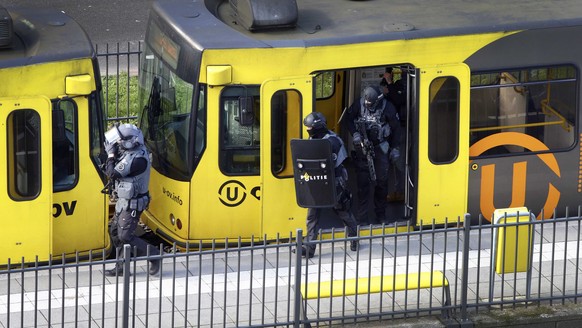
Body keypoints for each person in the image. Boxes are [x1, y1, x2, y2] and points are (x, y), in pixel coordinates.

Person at [297, 112, 359, 259]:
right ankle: (309, 248)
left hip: (334, 181)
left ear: (317, 127)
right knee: (312, 216)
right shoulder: (314, 138)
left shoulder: (332, 141)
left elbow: (330, 159)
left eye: (310, 127)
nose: (308, 130)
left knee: (342, 210)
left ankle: (353, 237)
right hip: (317, 181)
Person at [103, 123, 161, 276]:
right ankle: (121, 267)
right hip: (124, 201)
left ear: (131, 140)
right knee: (115, 232)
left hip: (133, 203)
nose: (118, 144)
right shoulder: (129, 152)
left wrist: (110, 155)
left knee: (125, 235)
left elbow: (113, 173)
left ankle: (154, 255)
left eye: (121, 140)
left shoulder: (137, 159)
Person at [345, 86, 401, 225]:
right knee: (362, 185)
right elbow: (348, 119)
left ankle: (381, 216)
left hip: (380, 149)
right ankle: (362, 219)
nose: (368, 106)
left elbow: (396, 128)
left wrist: (395, 148)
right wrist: (355, 133)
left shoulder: (388, 107)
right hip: (363, 148)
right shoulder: (359, 103)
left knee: (381, 184)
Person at [380, 69, 406, 203]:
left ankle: (402, 192)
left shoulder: (408, 84)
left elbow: (399, 99)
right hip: (396, 127)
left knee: (400, 160)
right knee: (396, 161)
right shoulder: (400, 83)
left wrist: (390, 83)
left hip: (404, 127)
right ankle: (399, 190)